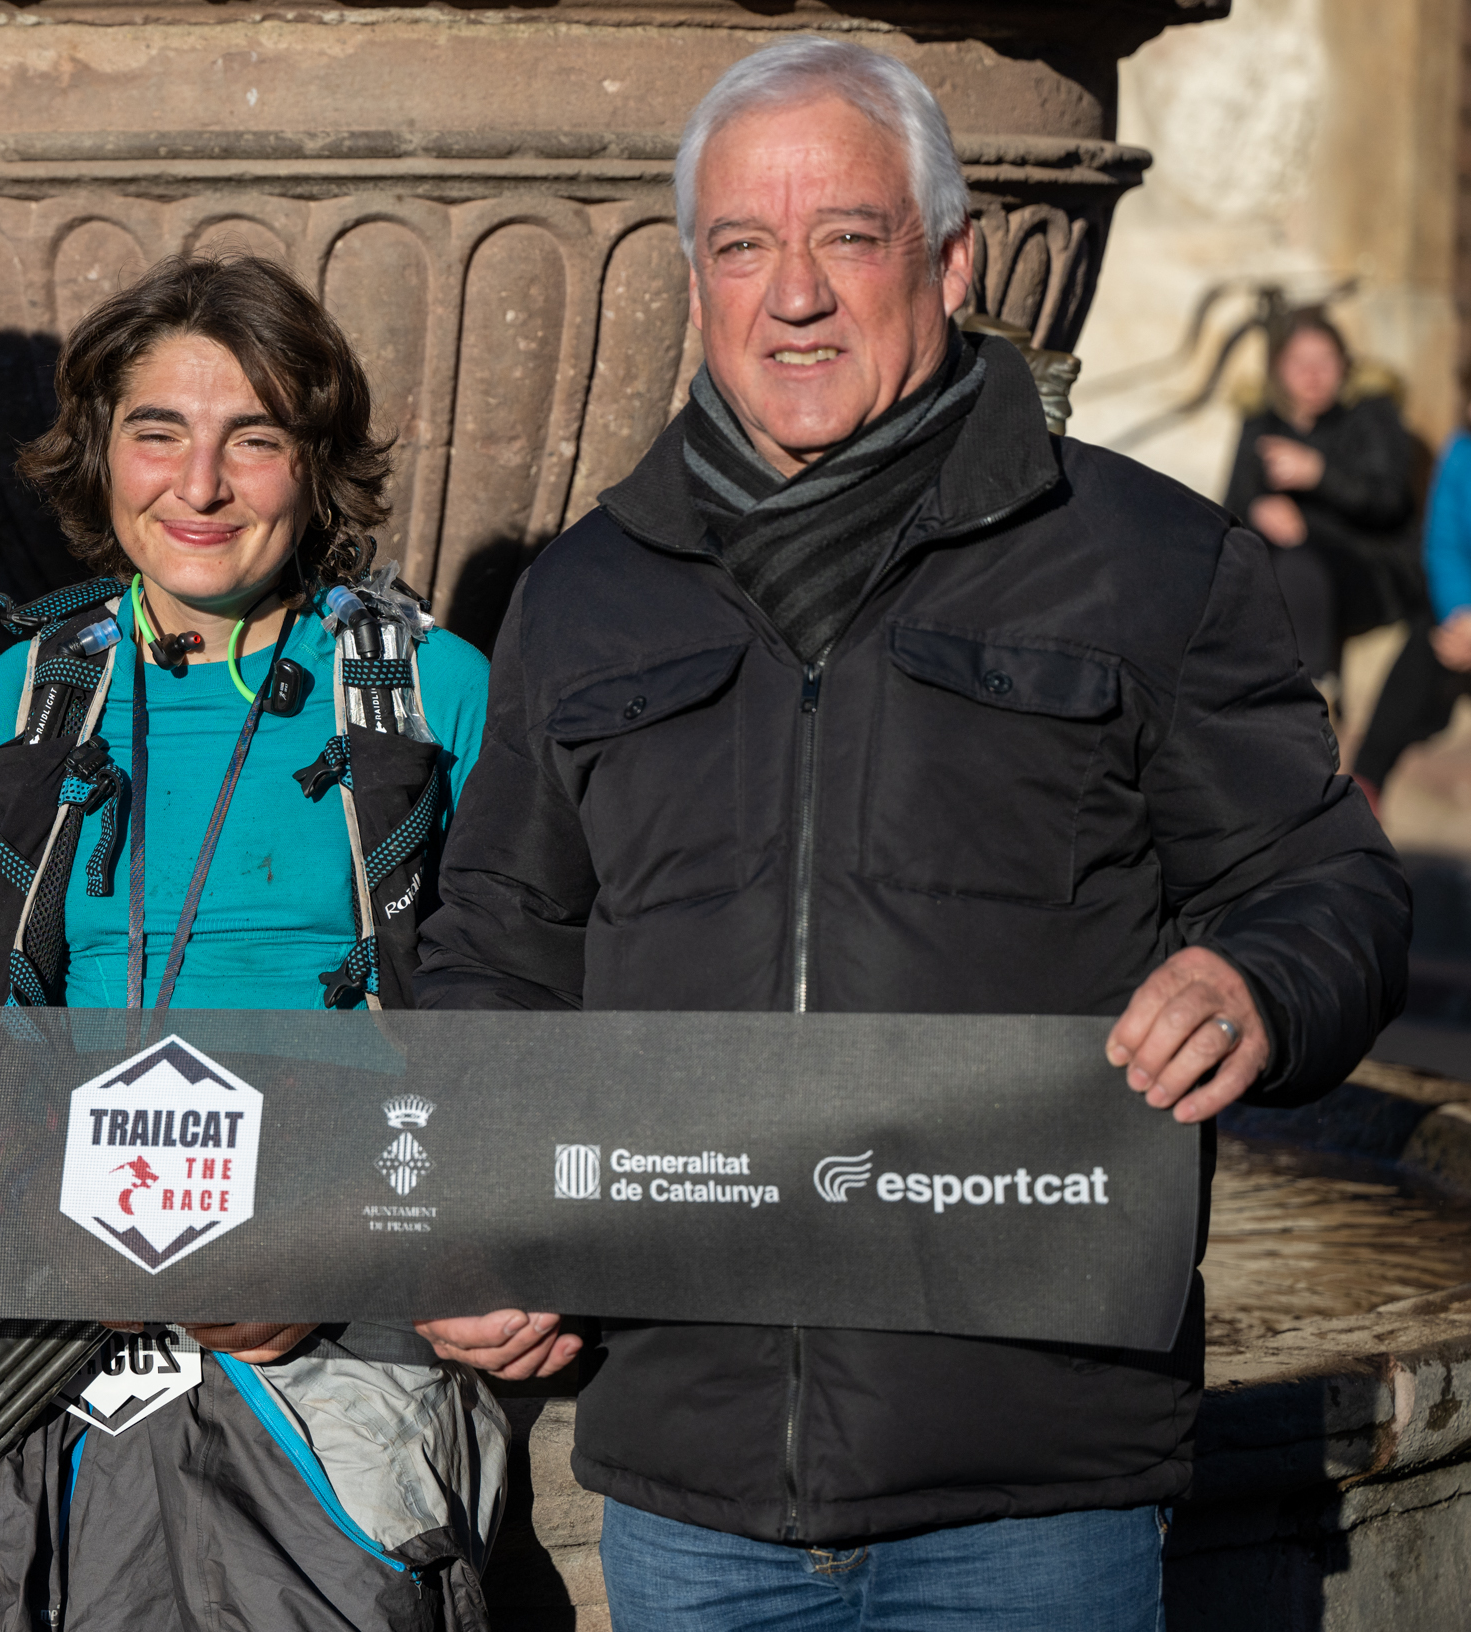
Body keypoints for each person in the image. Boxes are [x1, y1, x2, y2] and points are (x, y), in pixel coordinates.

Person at [409, 36, 1406, 1632]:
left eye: (848, 237)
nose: (792, 292)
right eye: (743, 245)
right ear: (697, 277)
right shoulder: (588, 597)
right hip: (695, 1490)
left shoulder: (1146, 562)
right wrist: (482, 1219)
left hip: (1031, 1489)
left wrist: (1259, 985)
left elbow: (1326, 885)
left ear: (947, 259)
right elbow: (492, 953)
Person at [0, 254, 508, 1631]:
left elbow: (516, 1040)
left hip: (337, 1358)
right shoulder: (24, 704)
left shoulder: (429, 696)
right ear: (101, 454)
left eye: (256, 439)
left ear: (316, 465)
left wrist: (335, 1238)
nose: (201, 485)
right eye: (158, 433)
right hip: (68, 1351)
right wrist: (44, 1207)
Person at [1224, 308, 1423, 689]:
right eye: (1299, 362)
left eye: (1324, 361)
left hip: (1372, 569)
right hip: (1285, 566)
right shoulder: (1262, 422)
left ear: (1344, 366)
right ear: (1278, 369)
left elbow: (1390, 502)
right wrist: (1256, 509)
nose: (1312, 375)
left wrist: (1319, 474)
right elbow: (1229, 505)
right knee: (1237, 559)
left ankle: (1312, 696)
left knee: (1297, 569)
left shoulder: (1371, 415)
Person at [1352, 412, 1471, 802]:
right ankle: (1366, 786)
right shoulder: (1461, 452)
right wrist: (1461, 614)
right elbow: (1443, 544)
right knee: (1426, 640)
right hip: (1462, 614)